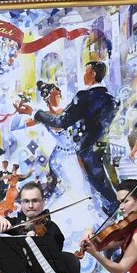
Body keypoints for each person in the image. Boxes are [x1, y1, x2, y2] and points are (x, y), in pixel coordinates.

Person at [19, 60, 118, 217]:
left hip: (84, 152)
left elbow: (61, 122)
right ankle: (113, 213)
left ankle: (111, 214)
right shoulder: (112, 100)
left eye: (86, 71)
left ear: (92, 74)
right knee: (106, 186)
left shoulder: (84, 97)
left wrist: (34, 112)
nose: (84, 75)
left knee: (97, 188)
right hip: (103, 148)